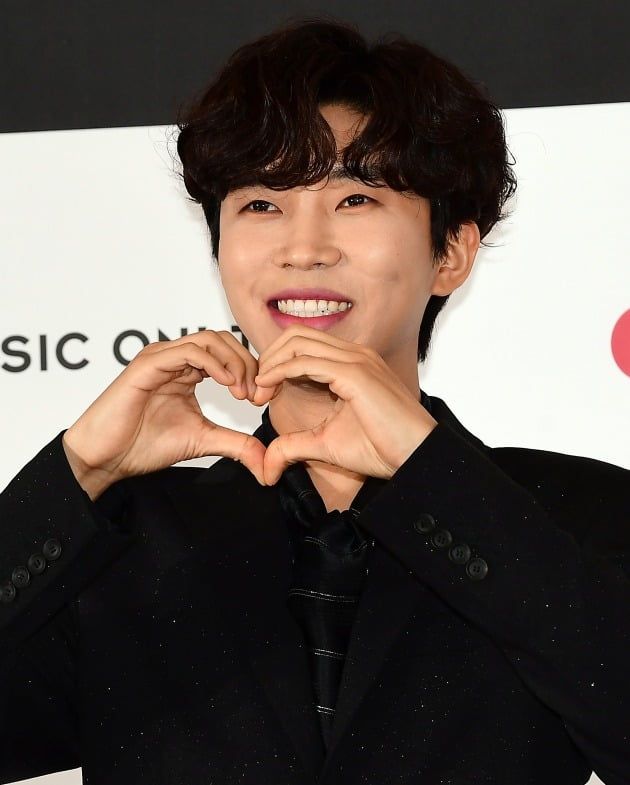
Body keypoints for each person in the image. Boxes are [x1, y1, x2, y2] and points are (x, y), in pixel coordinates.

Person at [1, 15, 629, 785]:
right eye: (262, 205)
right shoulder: (126, 540)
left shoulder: (573, 517)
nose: (303, 249)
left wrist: (436, 479)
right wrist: (77, 470)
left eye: (355, 199)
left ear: (451, 251)